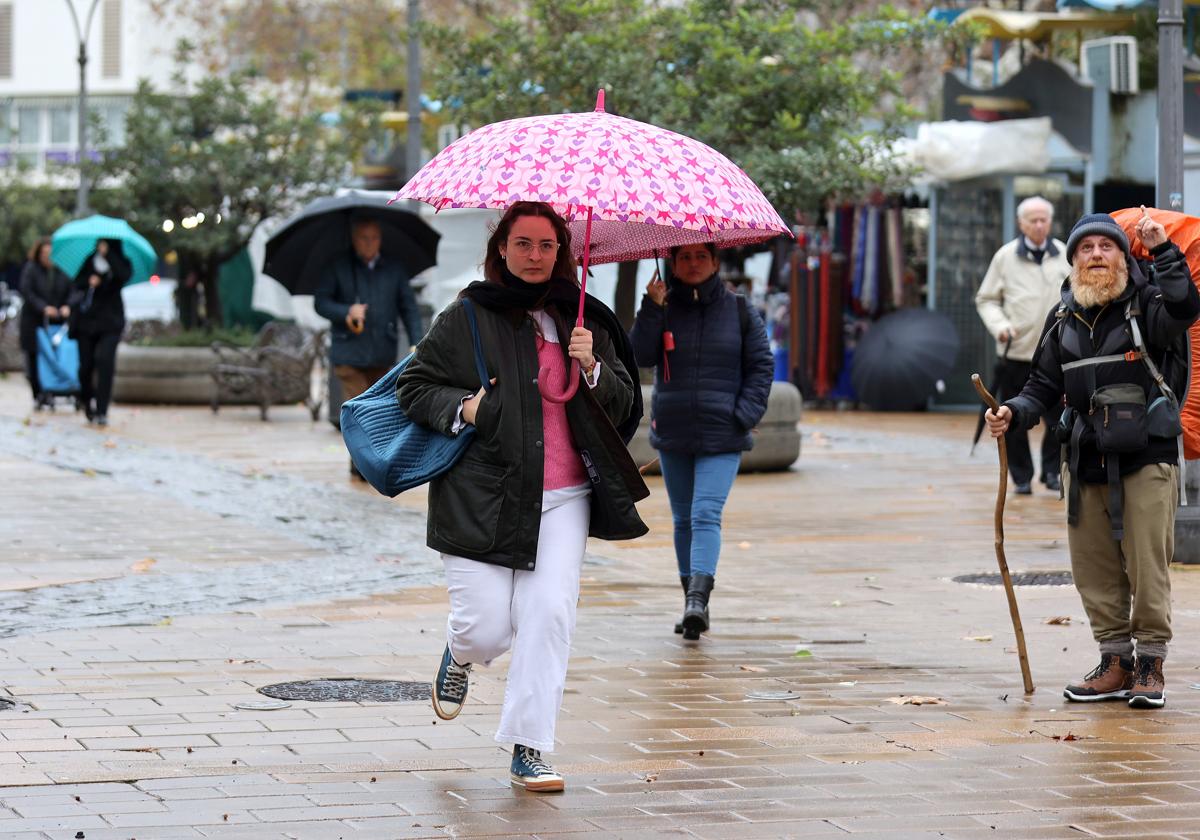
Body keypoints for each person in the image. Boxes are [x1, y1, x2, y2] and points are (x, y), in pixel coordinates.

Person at [396, 201, 647, 792]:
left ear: (563, 252)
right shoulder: (467, 315)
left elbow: (621, 404)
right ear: (501, 249)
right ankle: (459, 654)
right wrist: (465, 407)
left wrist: (592, 370)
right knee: (486, 628)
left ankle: (530, 746)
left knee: (549, 616)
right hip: (483, 492)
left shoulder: (583, 318)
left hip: (565, 495)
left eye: (547, 246)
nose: (536, 257)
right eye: (524, 244)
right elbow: (414, 385)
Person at [986, 209, 1200, 709]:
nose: (1097, 256)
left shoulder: (1149, 304)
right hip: (1084, 456)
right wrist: (1013, 413)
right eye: (1087, 249)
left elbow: (1187, 308)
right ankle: (1115, 662)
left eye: (1107, 247)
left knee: (1147, 565)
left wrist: (1164, 250)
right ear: (1074, 260)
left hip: (1148, 455)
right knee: (1094, 566)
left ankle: (1150, 664)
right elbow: (1041, 384)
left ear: (1123, 257)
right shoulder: (1063, 318)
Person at [629, 243, 774, 640]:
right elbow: (639, 355)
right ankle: (694, 604)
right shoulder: (663, 305)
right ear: (673, 263)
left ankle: (697, 600)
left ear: (715, 261)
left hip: (722, 432)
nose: (693, 264)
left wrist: (742, 416)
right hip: (674, 430)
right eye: (684, 257)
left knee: (705, 514)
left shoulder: (740, 310)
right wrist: (651, 306)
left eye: (701, 257)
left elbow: (761, 366)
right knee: (682, 519)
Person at [315, 217, 425, 478]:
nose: (370, 243)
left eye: (374, 238)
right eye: (364, 238)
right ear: (354, 239)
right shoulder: (338, 267)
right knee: (358, 411)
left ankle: (370, 463)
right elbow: (321, 303)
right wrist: (346, 312)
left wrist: (416, 343)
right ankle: (362, 466)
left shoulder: (394, 269)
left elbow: (408, 308)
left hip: (381, 353)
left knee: (378, 413)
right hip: (348, 355)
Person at [975, 196, 1071, 495]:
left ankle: (1053, 471)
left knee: (1059, 419)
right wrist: (1000, 326)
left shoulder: (1065, 253)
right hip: (1017, 353)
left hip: (1058, 352)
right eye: (1033, 220)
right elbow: (986, 299)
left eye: (1044, 219)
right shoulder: (1005, 257)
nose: (1039, 225)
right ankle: (1020, 476)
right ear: (1021, 223)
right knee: (1012, 417)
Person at [69, 239, 131, 426]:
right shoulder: (89, 261)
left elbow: (123, 276)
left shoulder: (121, 261)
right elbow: (76, 283)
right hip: (86, 322)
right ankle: (87, 401)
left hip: (110, 322)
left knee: (105, 363)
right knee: (85, 366)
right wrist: (90, 281)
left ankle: (103, 409)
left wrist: (109, 256)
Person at [17, 238, 72, 409]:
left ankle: (57, 389)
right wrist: (43, 308)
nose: (47, 257)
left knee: (58, 356)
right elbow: (26, 291)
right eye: (44, 254)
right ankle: (39, 394)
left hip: (57, 323)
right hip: (34, 321)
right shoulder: (31, 269)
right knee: (34, 359)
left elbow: (73, 291)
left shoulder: (63, 271)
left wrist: (67, 306)